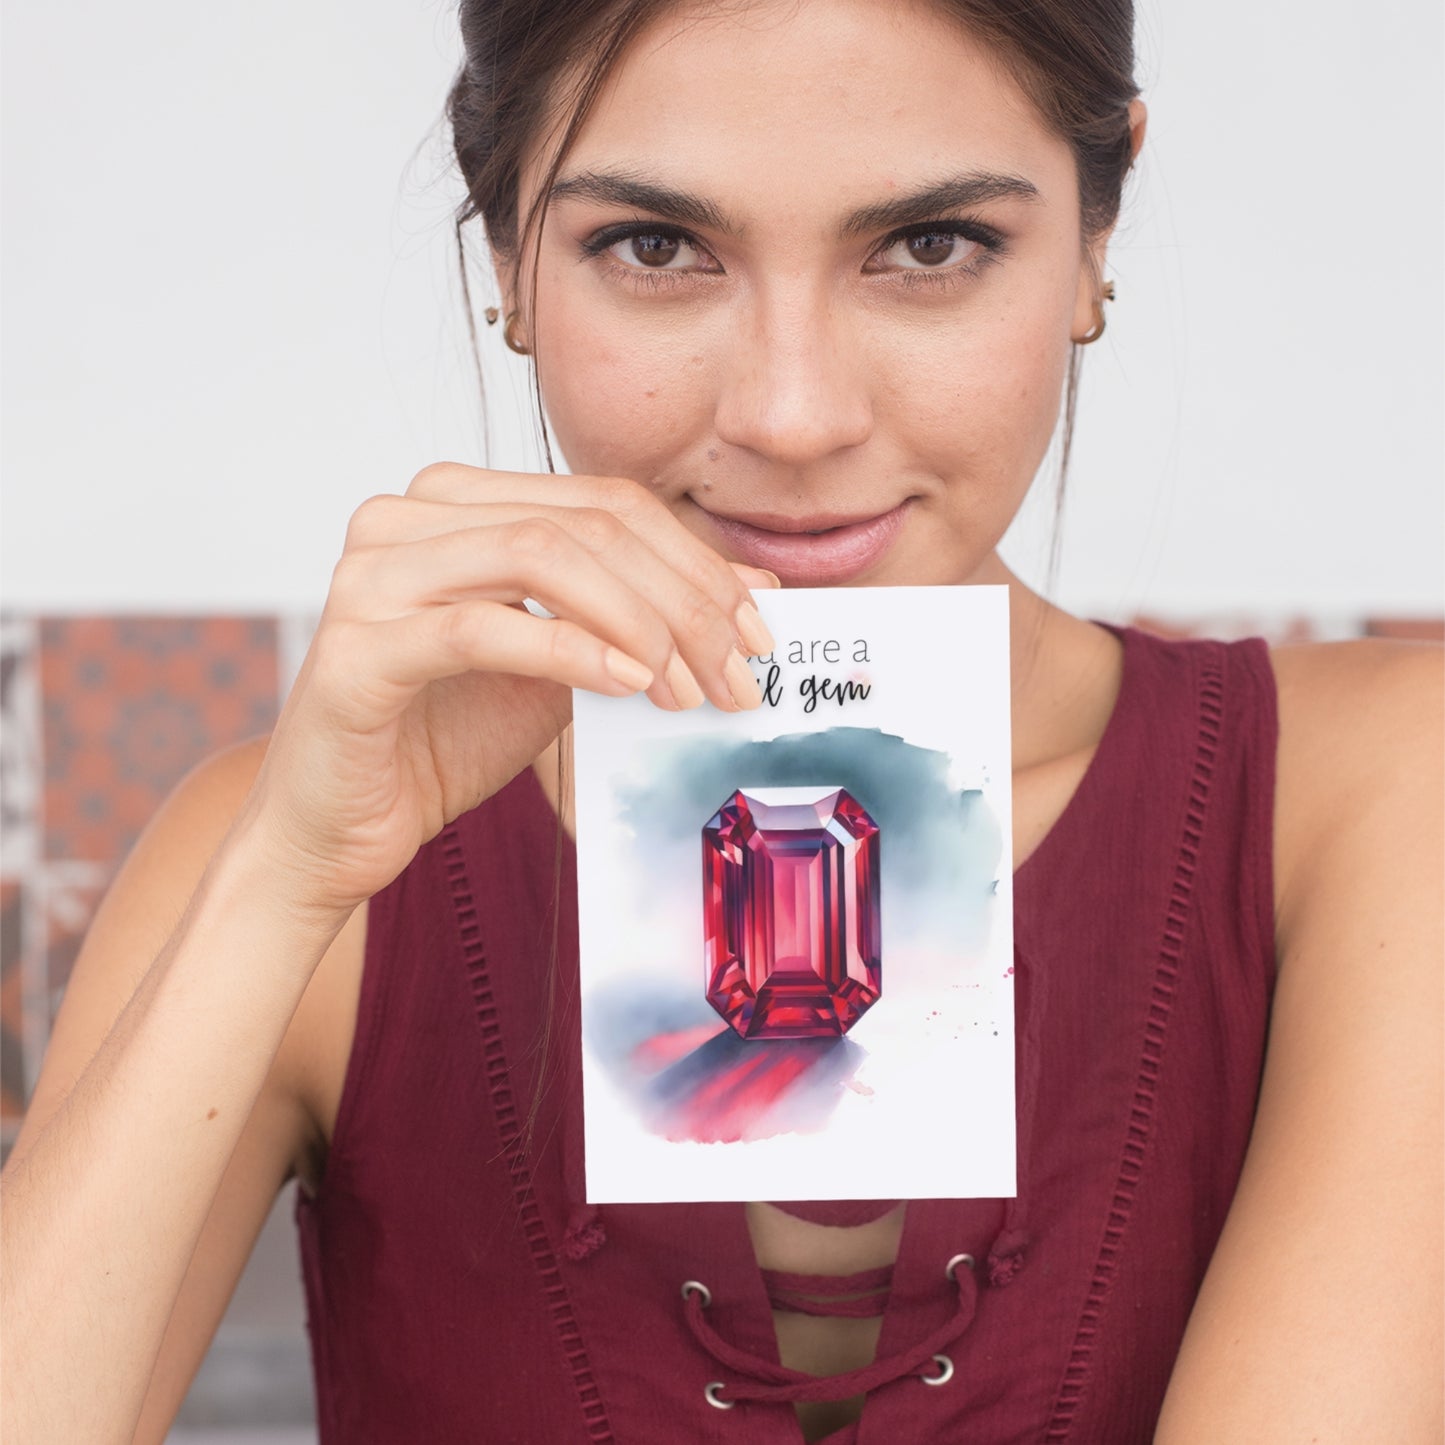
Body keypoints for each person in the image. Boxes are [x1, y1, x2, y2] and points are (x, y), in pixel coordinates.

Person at [2, 0, 1440, 1440]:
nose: (792, 417)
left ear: (1091, 238)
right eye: (654, 247)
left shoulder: (1377, 790)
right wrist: (283, 878)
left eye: (931, 245)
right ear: (506, 260)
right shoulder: (292, 859)